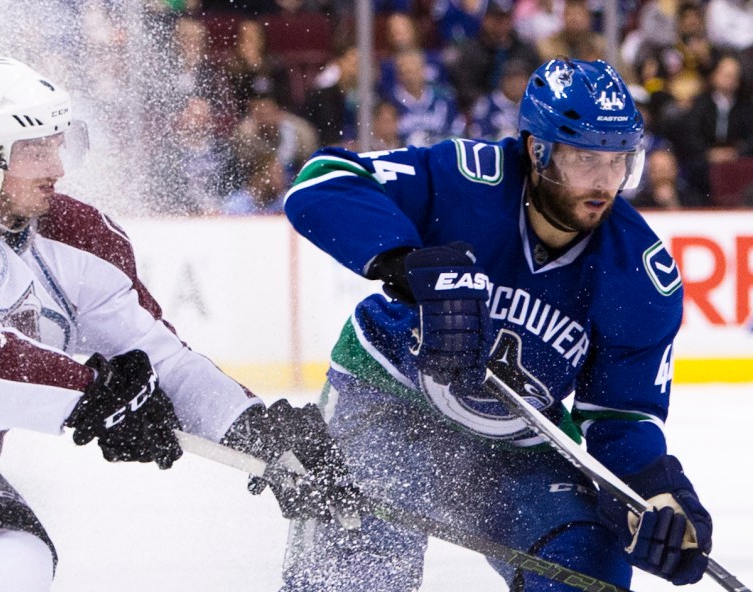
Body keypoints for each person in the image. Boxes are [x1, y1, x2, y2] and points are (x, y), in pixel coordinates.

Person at [0, 57, 356, 592]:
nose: (57, 167)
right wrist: (89, 392)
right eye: (36, 148)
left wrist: (256, 431)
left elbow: (160, 359)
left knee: (13, 558)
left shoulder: (82, 241)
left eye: (59, 145)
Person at [280, 58, 713, 591]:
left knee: (587, 571)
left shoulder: (643, 277)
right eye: (584, 160)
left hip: (515, 446)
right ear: (537, 150)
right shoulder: (464, 176)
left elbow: (620, 418)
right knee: (347, 583)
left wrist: (654, 493)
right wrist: (405, 262)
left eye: (619, 161)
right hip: (386, 407)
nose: (605, 183)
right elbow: (322, 182)